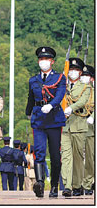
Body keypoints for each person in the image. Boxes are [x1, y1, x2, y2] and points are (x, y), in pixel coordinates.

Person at [25, 47, 66, 198]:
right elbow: (31, 98)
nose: (43, 62)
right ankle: (40, 184)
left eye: (46, 60)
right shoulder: (33, 79)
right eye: (41, 60)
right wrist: (28, 113)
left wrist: (52, 104)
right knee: (39, 152)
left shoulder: (60, 78)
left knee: (55, 155)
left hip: (54, 119)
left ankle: (54, 186)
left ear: (52, 62)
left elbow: (60, 94)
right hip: (39, 120)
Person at [60, 58, 91, 197]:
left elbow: (83, 101)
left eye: (75, 70)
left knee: (78, 158)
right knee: (66, 156)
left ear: (80, 73)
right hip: (65, 126)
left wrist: (71, 108)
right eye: (70, 69)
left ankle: (77, 185)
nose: (72, 72)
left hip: (79, 125)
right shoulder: (62, 85)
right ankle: (67, 186)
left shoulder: (86, 86)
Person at [81, 65, 94, 195]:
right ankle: (80, 183)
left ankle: (88, 183)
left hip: (90, 129)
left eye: (87, 75)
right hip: (76, 128)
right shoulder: (76, 91)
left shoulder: (93, 92)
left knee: (90, 158)